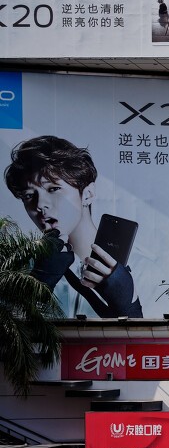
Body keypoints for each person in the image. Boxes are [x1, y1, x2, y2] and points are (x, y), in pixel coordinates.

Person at [5, 135, 143, 317]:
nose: (40, 205)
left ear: (87, 194)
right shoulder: (20, 271)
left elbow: (166, 342)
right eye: (29, 196)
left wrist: (130, 308)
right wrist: (35, 285)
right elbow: (11, 341)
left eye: (53, 189)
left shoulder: (141, 267)